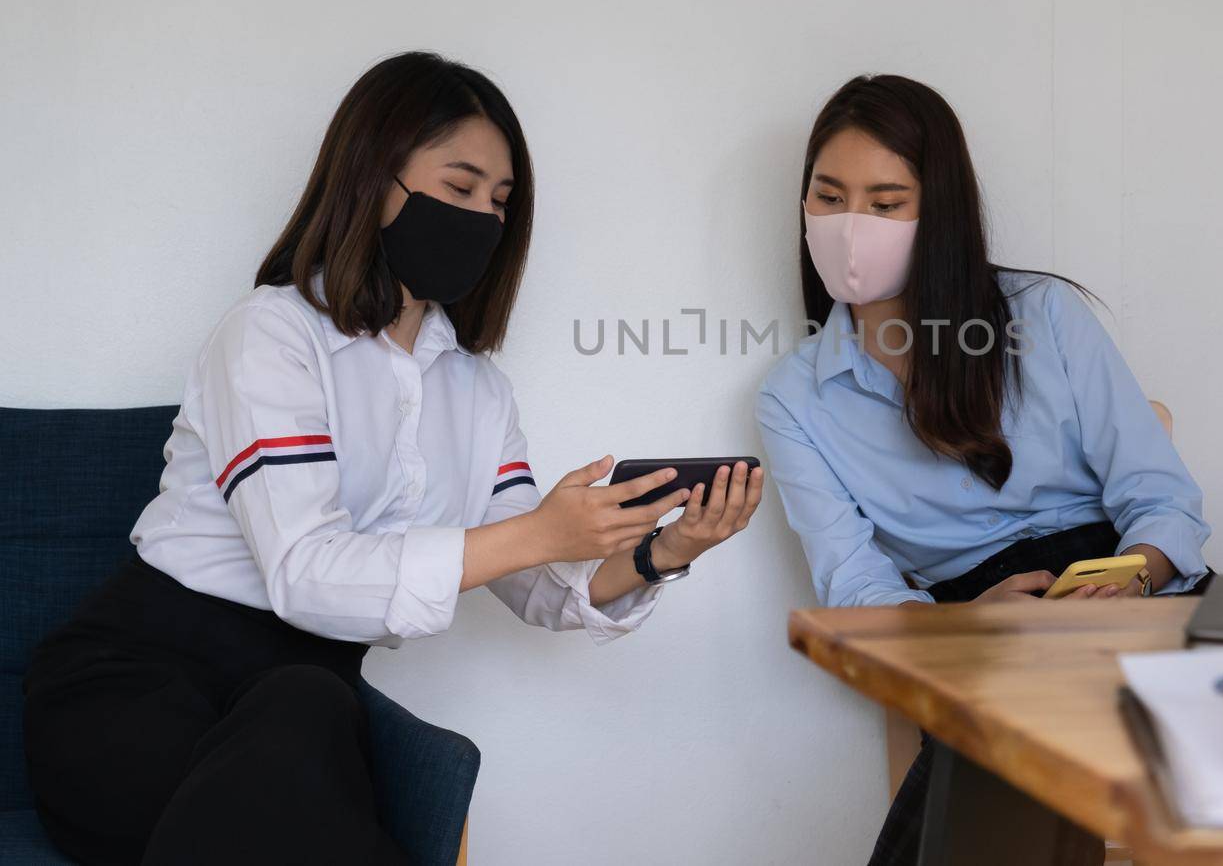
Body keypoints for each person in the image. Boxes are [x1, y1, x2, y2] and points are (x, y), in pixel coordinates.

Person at [23, 51, 763, 865]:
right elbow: (303, 572)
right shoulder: (271, 335)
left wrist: (662, 553)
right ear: (376, 178)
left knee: (308, 709)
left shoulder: (477, 391)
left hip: (293, 719)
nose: (484, 216)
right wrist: (542, 532)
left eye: (500, 201)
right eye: (460, 186)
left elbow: (539, 587)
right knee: (307, 725)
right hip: (138, 692)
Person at [755, 74, 1209, 866]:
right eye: (828, 197)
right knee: (1013, 724)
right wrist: (965, 628)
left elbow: (1160, 493)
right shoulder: (795, 396)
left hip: (1123, 596)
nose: (850, 225)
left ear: (940, 213)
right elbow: (853, 582)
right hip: (973, 629)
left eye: (885, 202)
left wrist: (1131, 577)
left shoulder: (1045, 315)